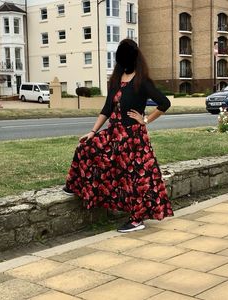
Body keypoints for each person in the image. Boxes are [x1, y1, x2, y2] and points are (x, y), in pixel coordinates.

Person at [63, 38, 173, 233]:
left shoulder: (142, 81)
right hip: (114, 134)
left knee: (135, 179)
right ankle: (76, 185)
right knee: (86, 148)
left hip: (133, 139)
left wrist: (145, 120)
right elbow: (107, 108)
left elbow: (164, 103)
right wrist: (92, 131)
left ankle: (137, 219)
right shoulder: (115, 79)